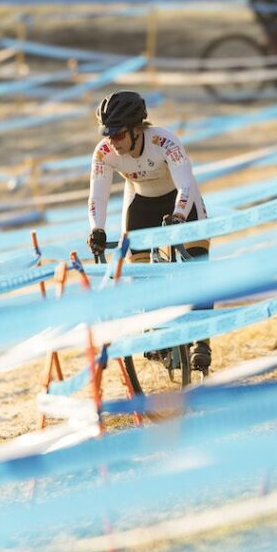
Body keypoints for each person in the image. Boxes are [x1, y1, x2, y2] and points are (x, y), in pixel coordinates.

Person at [85, 91, 213, 372]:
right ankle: (154, 328)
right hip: (142, 202)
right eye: (108, 134)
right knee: (140, 272)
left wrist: (179, 215)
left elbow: (186, 184)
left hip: (179, 199)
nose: (112, 141)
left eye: (118, 134)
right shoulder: (104, 152)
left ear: (136, 129)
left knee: (198, 266)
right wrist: (97, 230)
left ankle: (201, 340)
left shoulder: (164, 141)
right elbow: (98, 197)